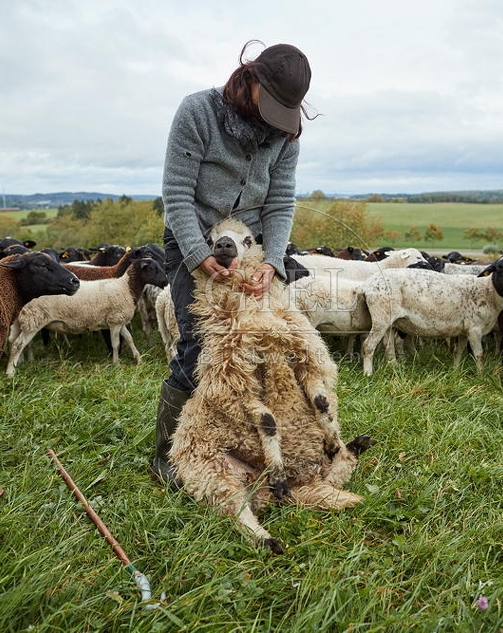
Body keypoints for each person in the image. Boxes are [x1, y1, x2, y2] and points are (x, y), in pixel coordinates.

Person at [150, 40, 312, 488]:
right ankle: (169, 456)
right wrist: (197, 256)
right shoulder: (198, 112)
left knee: (262, 345)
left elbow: (280, 200)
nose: (278, 117)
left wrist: (273, 261)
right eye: (274, 104)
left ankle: (246, 444)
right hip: (193, 239)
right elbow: (177, 194)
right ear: (252, 80)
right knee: (202, 345)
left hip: (254, 248)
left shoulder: (284, 136)